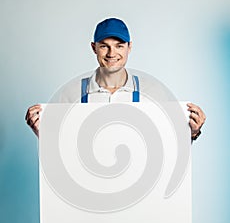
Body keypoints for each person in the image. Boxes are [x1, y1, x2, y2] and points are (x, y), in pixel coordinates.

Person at [25, 17, 206, 138]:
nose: (112, 53)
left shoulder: (153, 93)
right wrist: (43, 133)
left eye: (119, 46)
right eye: (104, 46)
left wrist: (193, 131)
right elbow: (61, 145)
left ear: (129, 47)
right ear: (93, 47)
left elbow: (169, 142)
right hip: (88, 192)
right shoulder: (70, 95)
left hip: (140, 191)